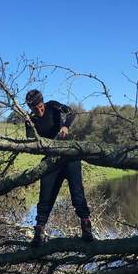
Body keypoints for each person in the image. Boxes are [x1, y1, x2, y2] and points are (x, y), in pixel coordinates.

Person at [24, 89, 93, 246]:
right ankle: (39, 233)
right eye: (35, 109)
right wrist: (29, 126)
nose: (39, 110)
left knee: (77, 194)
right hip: (50, 161)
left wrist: (66, 126)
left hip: (69, 157)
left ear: (43, 102)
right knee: (45, 198)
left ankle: (87, 228)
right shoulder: (31, 119)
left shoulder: (54, 106)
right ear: (30, 108)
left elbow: (72, 113)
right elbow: (30, 140)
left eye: (40, 106)